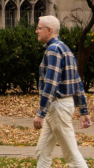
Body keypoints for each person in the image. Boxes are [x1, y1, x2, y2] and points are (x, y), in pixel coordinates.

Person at [33, 15, 90, 168]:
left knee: (72, 156)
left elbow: (50, 85)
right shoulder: (64, 48)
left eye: (39, 28)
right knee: (42, 152)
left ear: (49, 30)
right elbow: (77, 81)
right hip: (59, 107)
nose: (36, 31)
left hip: (58, 107)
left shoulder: (53, 50)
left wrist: (40, 113)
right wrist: (83, 111)